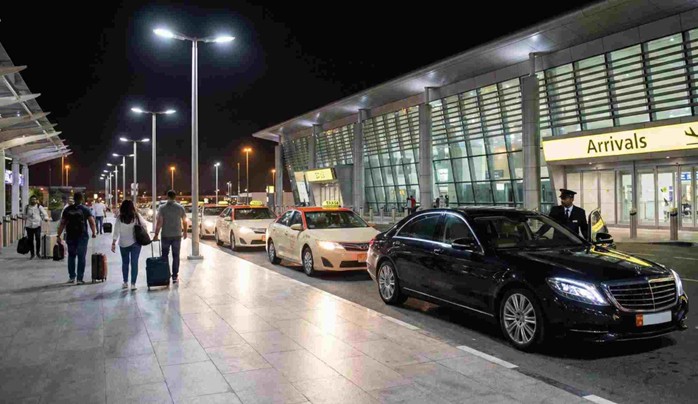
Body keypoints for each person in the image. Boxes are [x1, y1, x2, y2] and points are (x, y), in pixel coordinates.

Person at [57, 192, 98, 285]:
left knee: (71, 256)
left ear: (74, 199)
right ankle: (80, 279)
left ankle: (72, 277)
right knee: (81, 257)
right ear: (82, 199)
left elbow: (62, 223)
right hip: (82, 236)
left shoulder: (67, 209)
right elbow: (92, 222)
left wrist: (58, 235)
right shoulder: (85, 209)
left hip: (70, 235)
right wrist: (94, 232)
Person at [152, 190, 187, 283]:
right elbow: (185, 221)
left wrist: (156, 234)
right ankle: (175, 276)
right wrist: (185, 232)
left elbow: (159, 222)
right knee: (176, 255)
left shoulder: (162, 208)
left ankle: (166, 275)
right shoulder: (180, 207)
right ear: (175, 197)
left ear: (167, 196)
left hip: (165, 235)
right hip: (177, 235)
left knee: (164, 255)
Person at [111, 200, 147, 290]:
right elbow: (144, 225)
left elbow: (116, 231)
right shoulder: (136, 216)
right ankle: (133, 284)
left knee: (125, 263)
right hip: (136, 243)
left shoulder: (120, 218)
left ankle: (125, 282)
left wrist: (113, 242)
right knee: (134, 263)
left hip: (123, 244)